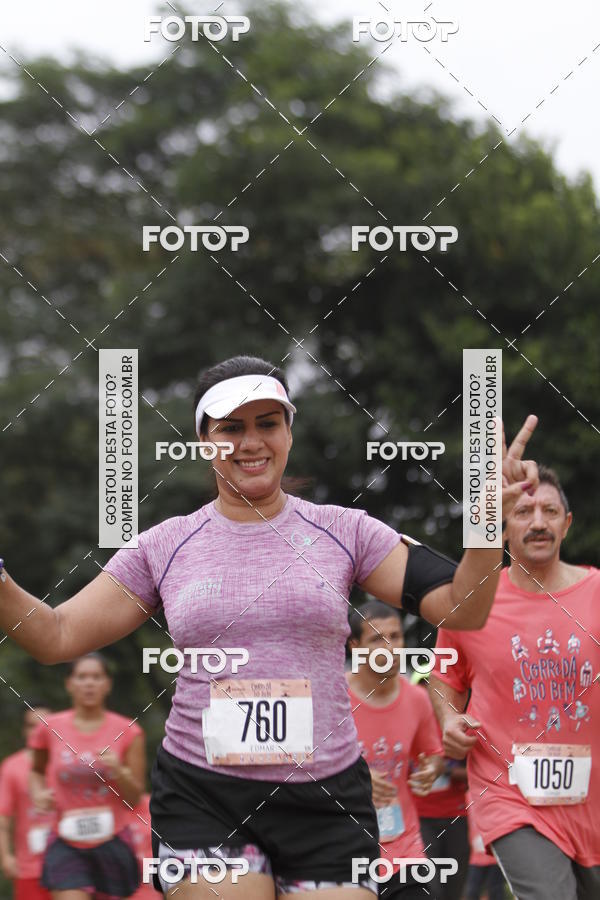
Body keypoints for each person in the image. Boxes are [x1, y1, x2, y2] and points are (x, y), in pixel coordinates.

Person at [0, 355, 538, 899]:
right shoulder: (164, 545)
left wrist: (485, 520)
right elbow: (57, 635)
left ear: (288, 432)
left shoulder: (344, 531)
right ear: (204, 440)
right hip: (204, 794)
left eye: (267, 424)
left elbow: (462, 608)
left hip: (327, 797)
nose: (250, 442)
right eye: (230, 427)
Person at [430, 466, 600, 900]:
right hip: (510, 793)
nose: (539, 522)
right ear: (503, 528)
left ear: (567, 523)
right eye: (524, 511)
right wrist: (449, 721)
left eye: (549, 510)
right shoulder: (473, 601)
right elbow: (444, 675)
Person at [346, 600, 443, 899]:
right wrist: (357, 778)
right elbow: (302, 768)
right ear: (354, 645)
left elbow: (433, 756)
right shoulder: (333, 698)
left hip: (403, 851)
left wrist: (431, 770)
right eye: (377, 639)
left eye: (396, 637)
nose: (389, 648)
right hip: (344, 851)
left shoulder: (417, 699)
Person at [28, 653, 145, 899]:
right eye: (81, 677)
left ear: (108, 684)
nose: (89, 683)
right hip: (65, 840)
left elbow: (134, 799)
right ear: (69, 684)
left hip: (113, 838)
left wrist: (119, 771)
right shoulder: (48, 728)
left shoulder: (129, 731)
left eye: (96, 677)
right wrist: (38, 793)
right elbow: (36, 771)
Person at [410, 672, 469, 900]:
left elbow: (475, 771)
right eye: (423, 687)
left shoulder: (456, 726)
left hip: (456, 818)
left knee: (454, 888)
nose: (429, 693)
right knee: (429, 888)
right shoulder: (410, 724)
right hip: (420, 819)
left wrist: (449, 771)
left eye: (434, 687)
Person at [0, 703, 54, 900]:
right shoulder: (11, 767)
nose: (39, 730)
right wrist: (5, 855)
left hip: (71, 865)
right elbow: (3, 817)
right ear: (25, 730)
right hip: (29, 869)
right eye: (32, 725)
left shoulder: (68, 763)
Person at [464, 792, 508, 900]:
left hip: (495, 855)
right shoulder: (468, 795)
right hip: (476, 856)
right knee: (472, 891)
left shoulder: (495, 794)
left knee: (496, 891)